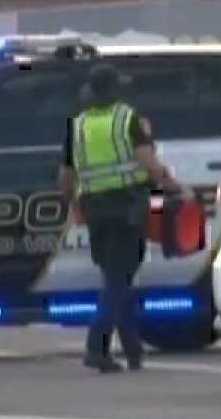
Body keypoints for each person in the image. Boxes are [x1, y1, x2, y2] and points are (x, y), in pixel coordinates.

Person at [59, 66, 189, 374]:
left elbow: (65, 176)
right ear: (113, 90)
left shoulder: (77, 126)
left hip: (94, 210)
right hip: (126, 208)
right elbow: (149, 163)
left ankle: (132, 350)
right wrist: (175, 187)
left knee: (116, 279)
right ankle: (96, 346)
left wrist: (75, 203)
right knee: (119, 280)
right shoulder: (126, 119)